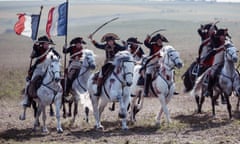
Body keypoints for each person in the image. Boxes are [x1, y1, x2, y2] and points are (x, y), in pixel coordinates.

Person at [23, 35, 60, 107]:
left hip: (48, 69)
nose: (47, 45)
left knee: (57, 77)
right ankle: (27, 99)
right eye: (45, 44)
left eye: (48, 44)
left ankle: (60, 95)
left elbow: (58, 56)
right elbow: (32, 56)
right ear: (42, 44)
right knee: (31, 81)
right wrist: (34, 49)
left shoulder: (51, 50)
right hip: (38, 69)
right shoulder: (38, 49)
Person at [203, 28, 229, 98]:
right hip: (217, 62)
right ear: (219, 36)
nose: (224, 37)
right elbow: (212, 35)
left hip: (226, 62)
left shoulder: (227, 42)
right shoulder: (215, 42)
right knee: (212, 73)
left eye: (225, 35)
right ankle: (208, 90)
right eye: (223, 35)